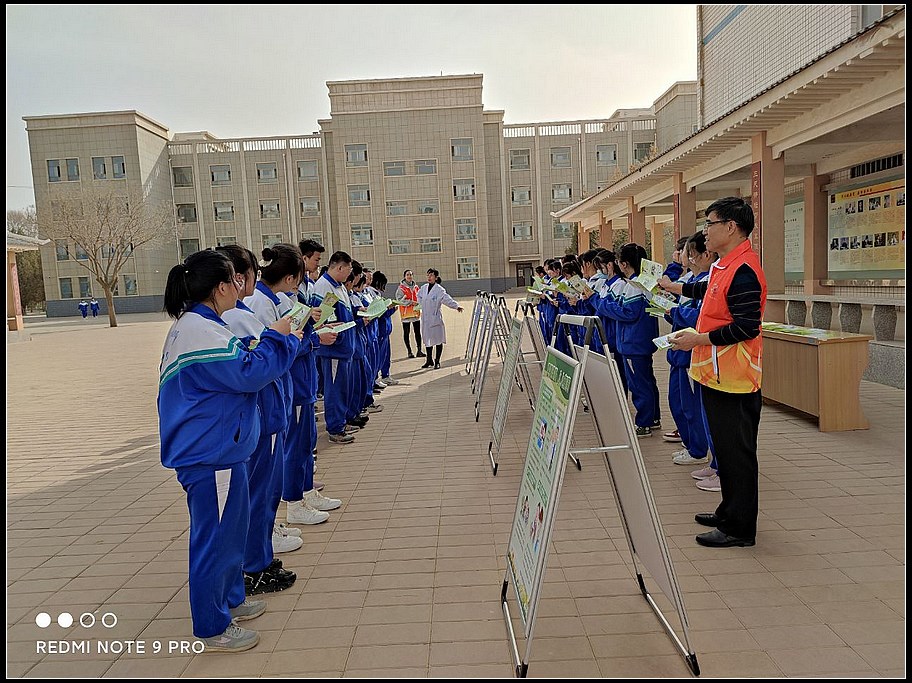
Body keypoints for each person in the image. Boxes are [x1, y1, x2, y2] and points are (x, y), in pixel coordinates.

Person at [158, 249, 300, 651]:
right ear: (220, 287)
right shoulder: (199, 330)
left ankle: (231, 598)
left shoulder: (203, 324)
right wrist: (278, 337)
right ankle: (212, 624)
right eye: (235, 280)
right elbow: (251, 373)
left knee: (230, 532)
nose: (240, 286)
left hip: (221, 449)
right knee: (215, 539)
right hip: (209, 453)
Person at [659, 196, 767, 549]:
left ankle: (739, 528)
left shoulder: (745, 270)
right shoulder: (725, 265)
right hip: (717, 375)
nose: (705, 231)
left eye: (711, 223)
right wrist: (673, 287)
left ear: (731, 227)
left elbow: (747, 327)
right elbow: (705, 289)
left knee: (737, 454)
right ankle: (727, 511)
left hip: (736, 379)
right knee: (725, 449)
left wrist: (698, 339)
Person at [312, 251, 357, 444]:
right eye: (349, 269)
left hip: (344, 348)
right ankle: (335, 428)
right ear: (339, 267)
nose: (350, 274)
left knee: (343, 389)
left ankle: (342, 421)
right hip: (334, 349)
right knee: (335, 390)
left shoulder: (339, 286)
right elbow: (321, 320)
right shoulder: (323, 286)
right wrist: (336, 336)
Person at [417, 268, 463, 369]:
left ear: (436, 277)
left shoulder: (439, 290)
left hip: (435, 318)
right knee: (427, 340)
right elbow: (418, 296)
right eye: (428, 275)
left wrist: (456, 306)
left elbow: (447, 299)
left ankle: (437, 361)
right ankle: (429, 360)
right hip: (425, 318)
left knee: (438, 340)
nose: (429, 277)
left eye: (431, 275)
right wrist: (420, 304)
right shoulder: (424, 288)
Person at [397, 270, 423, 358]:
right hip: (406, 314)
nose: (409, 276)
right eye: (407, 275)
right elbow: (399, 300)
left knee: (417, 332)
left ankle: (419, 351)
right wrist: (411, 302)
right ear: (404, 276)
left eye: (411, 274)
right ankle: (409, 351)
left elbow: (419, 298)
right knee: (406, 333)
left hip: (415, 313)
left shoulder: (416, 287)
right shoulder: (401, 288)